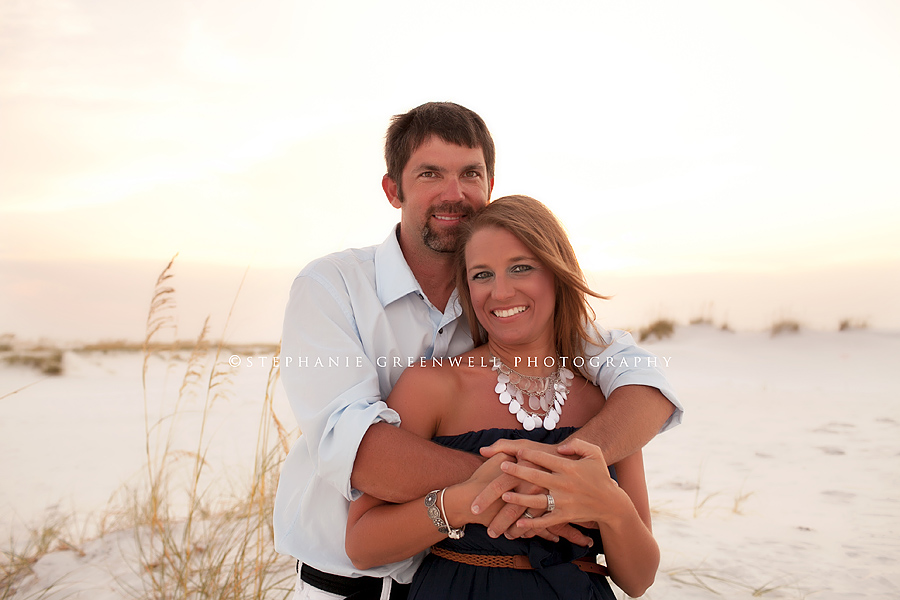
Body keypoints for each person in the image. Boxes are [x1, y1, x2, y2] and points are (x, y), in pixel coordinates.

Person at [273, 102, 681, 600]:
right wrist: (539, 485)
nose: (455, 192)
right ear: (392, 190)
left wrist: (589, 491)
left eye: (471, 173)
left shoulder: (513, 312)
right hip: (347, 583)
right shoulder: (332, 288)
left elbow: (640, 383)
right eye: (430, 174)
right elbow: (359, 451)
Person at [344, 195, 659, 599]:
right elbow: (361, 545)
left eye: (521, 268)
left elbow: (639, 579)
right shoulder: (435, 386)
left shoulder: (606, 403)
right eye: (481, 275)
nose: (501, 291)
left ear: (557, 272)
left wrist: (610, 506)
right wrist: (459, 503)